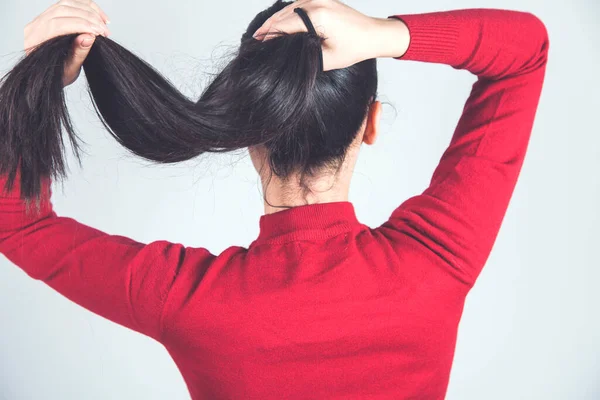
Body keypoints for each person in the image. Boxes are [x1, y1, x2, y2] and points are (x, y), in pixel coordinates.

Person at [0, 0, 549, 398]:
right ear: (373, 123)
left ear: (248, 134)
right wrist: (385, 34)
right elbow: (525, 51)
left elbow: (17, 225)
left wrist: (36, 85)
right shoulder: (436, 258)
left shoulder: (186, 299)